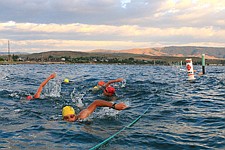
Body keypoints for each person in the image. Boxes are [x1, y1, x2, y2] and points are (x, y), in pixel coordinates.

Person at [62, 100, 128, 122]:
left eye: (71, 116)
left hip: (84, 112)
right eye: (66, 118)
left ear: (75, 115)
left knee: (84, 110)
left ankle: (80, 106)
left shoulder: (82, 116)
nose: (70, 120)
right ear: (63, 119)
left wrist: (114, 106)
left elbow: (96, 103)